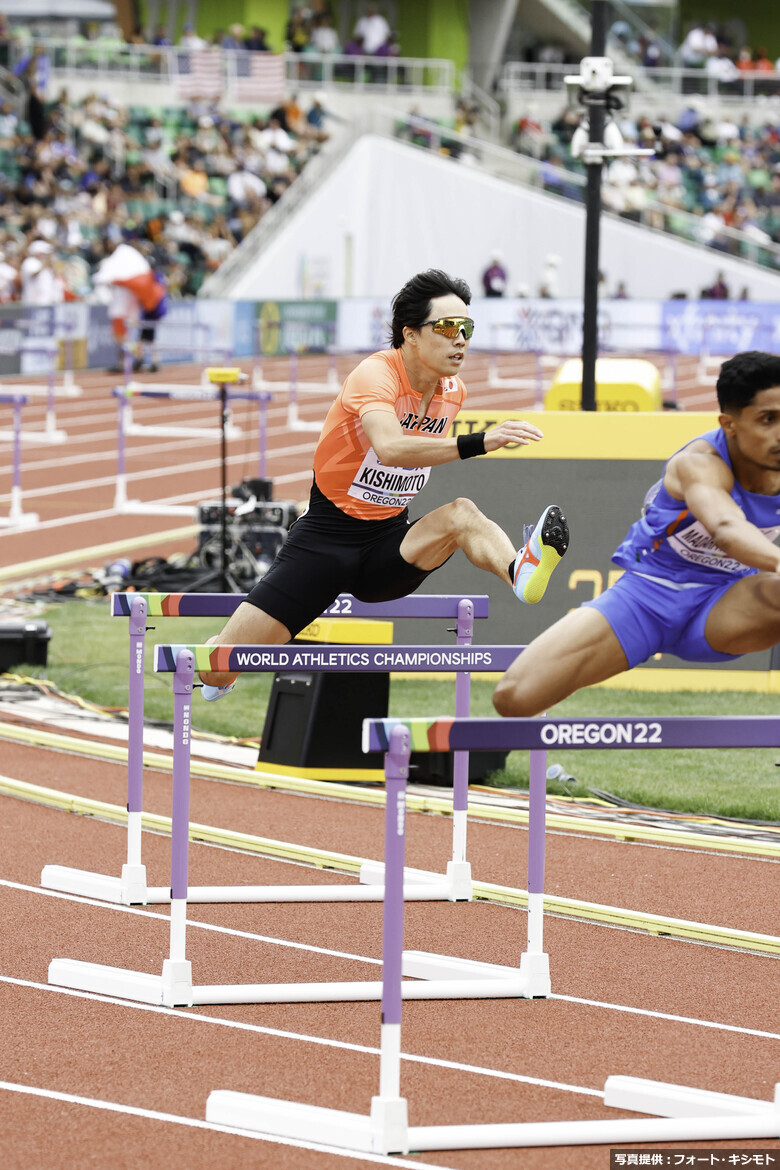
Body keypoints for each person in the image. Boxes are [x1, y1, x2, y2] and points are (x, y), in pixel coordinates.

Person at [199, 269, 570, 699]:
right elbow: (392, 448)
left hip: (388, 545)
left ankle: (518, 571)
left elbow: (406, 460)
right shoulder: (375, 375)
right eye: (448, 327)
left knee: (463, 514)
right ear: (410, 335)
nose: (461, 339)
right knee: (217, 669)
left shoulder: (454, 392)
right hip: (325, 542)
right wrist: (482, 441)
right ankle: (217, 659)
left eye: (467, 328)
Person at [493, 351, 780, 718]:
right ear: (730, 424)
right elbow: (725, 528)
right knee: (514, 697)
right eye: (767, 420)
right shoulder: (698, 462)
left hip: (726, 605)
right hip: (647, 596)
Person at [92, 241, 168, 373]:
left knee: (138, 337)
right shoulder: (150, 276)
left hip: (147, 311)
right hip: (145, 310)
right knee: (142, 337)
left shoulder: (152, 278)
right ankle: (138, 358)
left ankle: (137, 359)